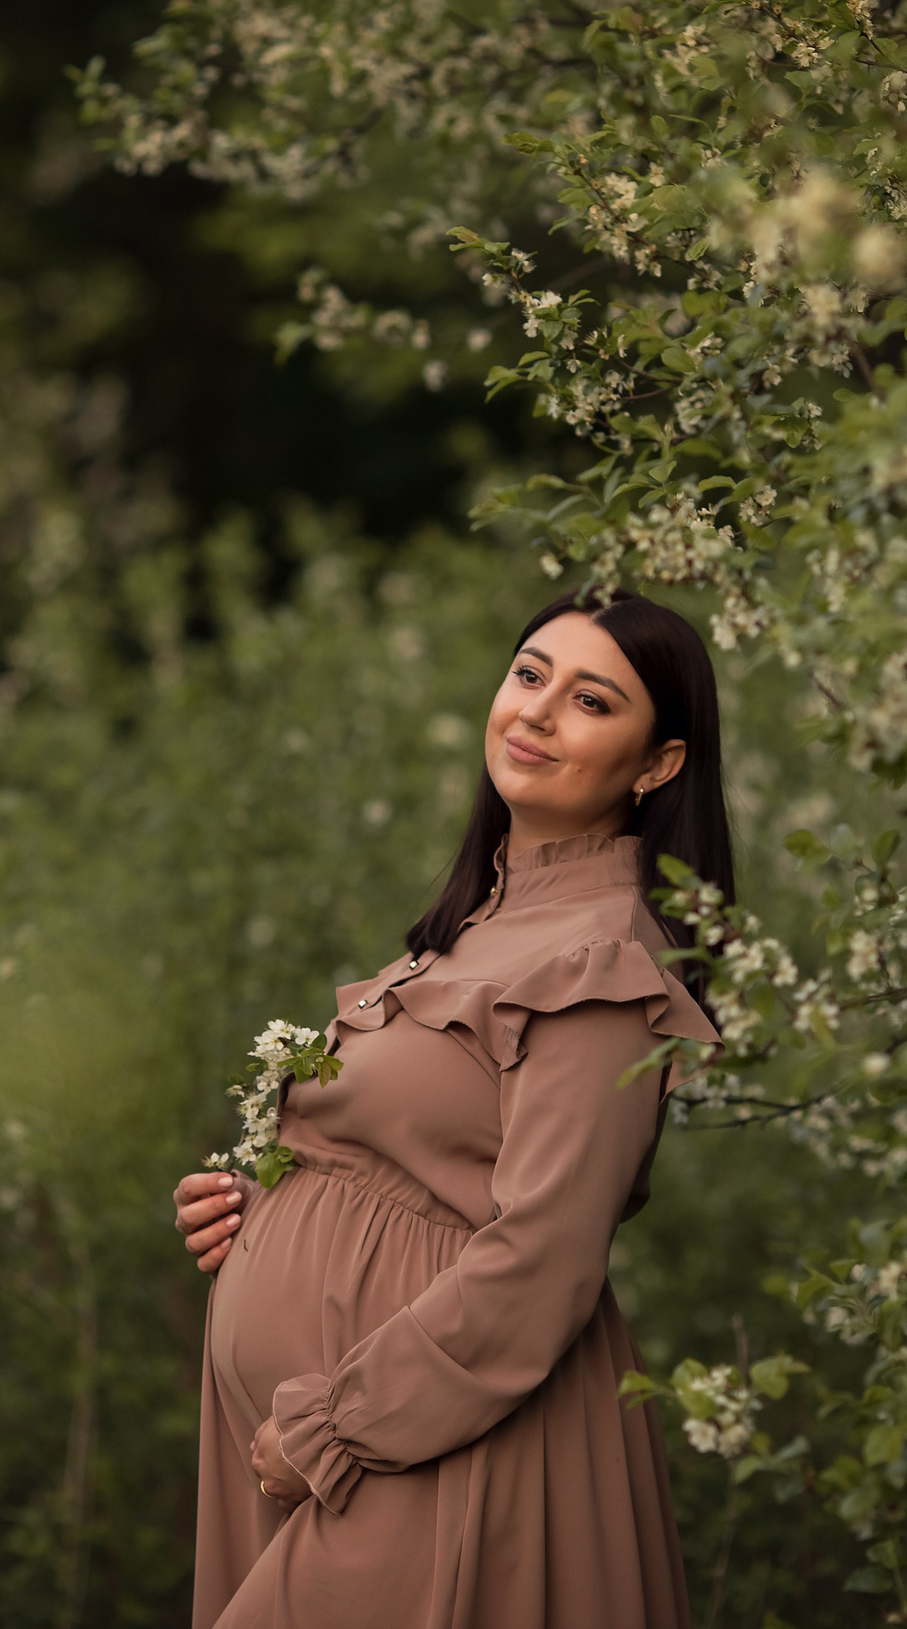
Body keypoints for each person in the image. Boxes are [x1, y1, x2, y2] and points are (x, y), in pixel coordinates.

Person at [171, 587, 733, 1629]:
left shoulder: (600, 959)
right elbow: (425, 1172)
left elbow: (543, 1258)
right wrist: (264, 1210)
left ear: (657, 764)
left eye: (591, 701)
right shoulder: (480, 922)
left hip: (421, 1444)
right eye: (528, 676)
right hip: (336, 1446)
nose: (537, 712)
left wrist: (335, 1429)